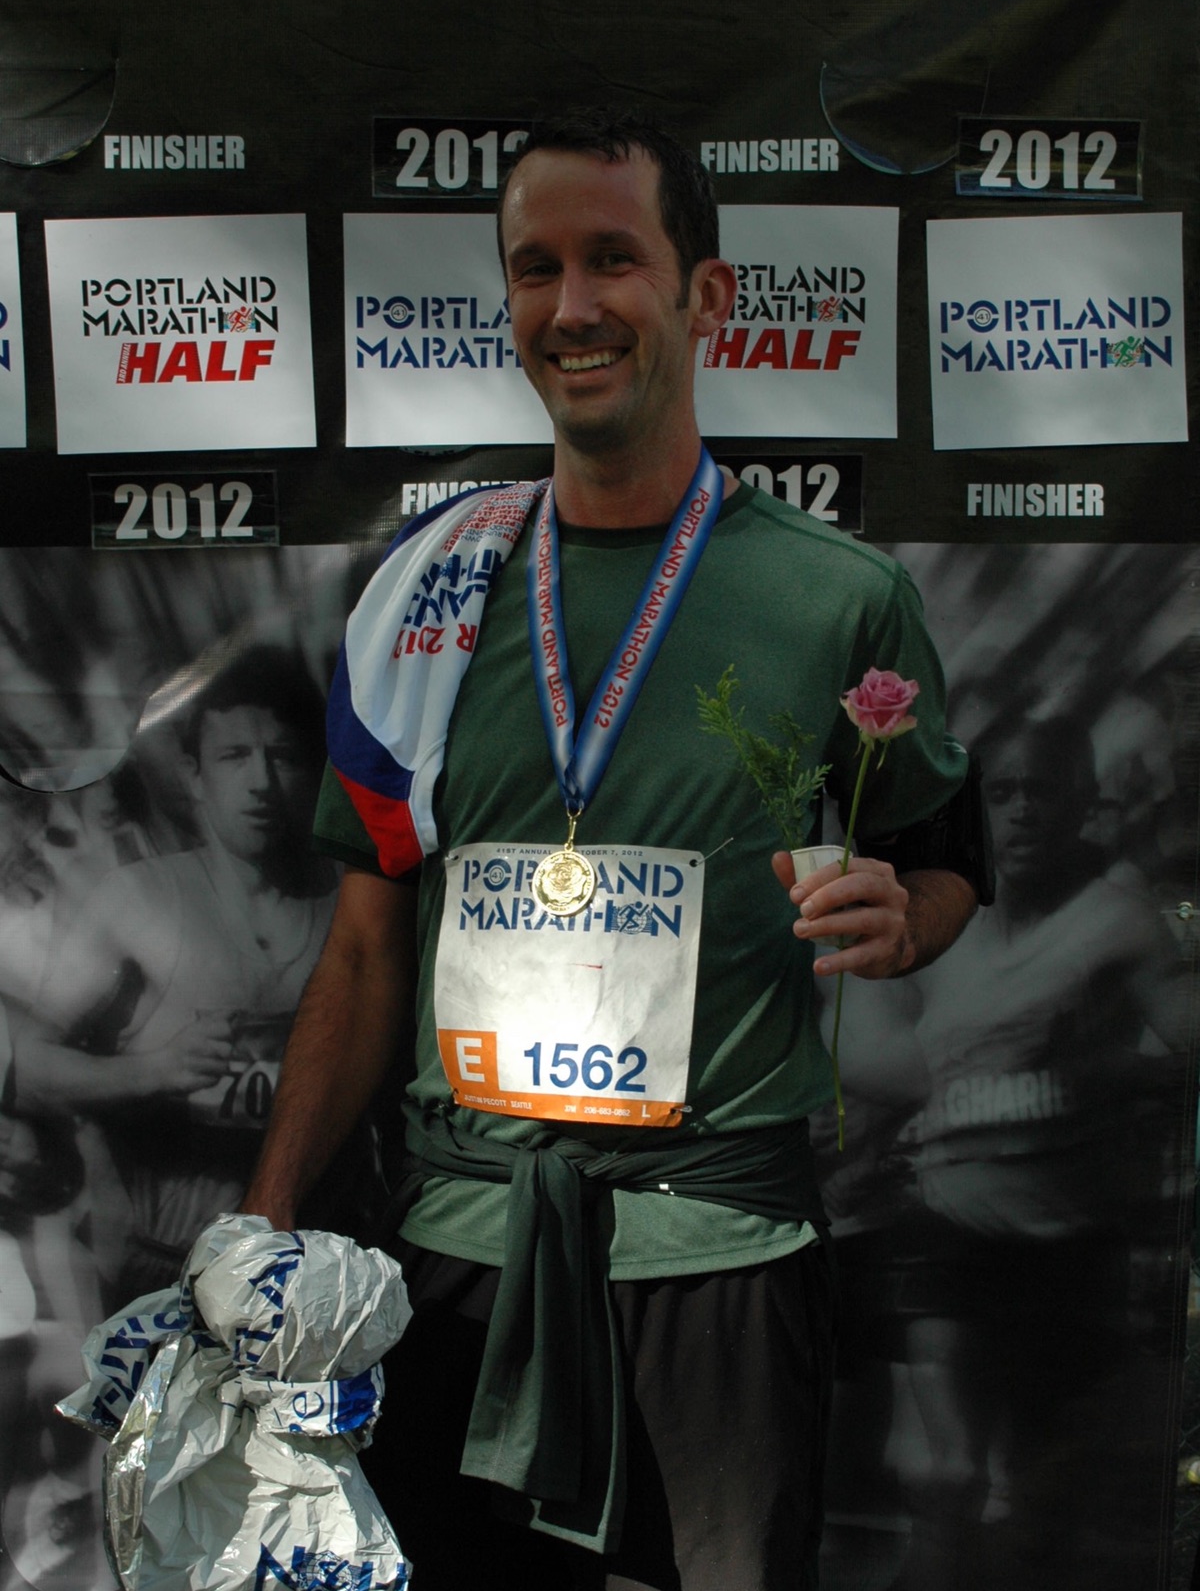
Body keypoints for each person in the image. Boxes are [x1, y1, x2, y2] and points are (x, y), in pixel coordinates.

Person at [242, 108, 985, 1591]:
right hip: (459, 1255)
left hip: (715, 1256)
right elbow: (369, 944)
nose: (571, 307)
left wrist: (909, 920)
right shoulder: (430, 592)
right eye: (536, 268)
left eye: (612, 262)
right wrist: (258, 1234)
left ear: (704, 296)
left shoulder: (841, 600)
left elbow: (943, 863)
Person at [889, 717, 1186, 1591]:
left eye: (1041, 792)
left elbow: (1180, 1028)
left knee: (1034, 1499)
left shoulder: (1116, 920)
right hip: (948, 1232)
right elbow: (867, 1044)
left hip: (1068, 1241)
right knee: (944, 1478)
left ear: (1083, 807)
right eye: (1004, 792)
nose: (1019, 813)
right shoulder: (942, 911)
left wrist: (1111, 1073)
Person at [13, 644, 336, 1304]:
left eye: (284, 757)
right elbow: (30, 1064)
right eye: (234, 757)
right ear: (193, 774)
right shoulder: (138, 897)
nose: (261, 784)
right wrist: (150, 1070)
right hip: (157, 1259)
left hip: (315, 1256)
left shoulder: (347, 907)